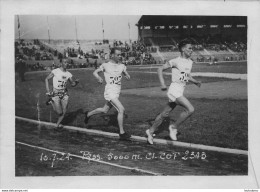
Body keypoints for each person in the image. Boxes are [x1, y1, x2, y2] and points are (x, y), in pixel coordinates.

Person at [146, 39, 202, 144]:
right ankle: (173, 127)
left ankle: (150, 131)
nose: (192, 50)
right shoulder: (175, 61)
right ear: (182, 49)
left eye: (192, 48)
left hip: (180, 90)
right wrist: (162, 83)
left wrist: (195, 81)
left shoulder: (190, 62)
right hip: (174, 90)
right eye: (189, 48)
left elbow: (186, 75)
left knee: (164, 114)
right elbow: (159, 69)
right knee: (190, 109)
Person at [84, 48, 131, 140]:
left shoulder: (122, 66)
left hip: (116, 92)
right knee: (121, 109)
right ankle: (122, 133)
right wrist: (98, 78)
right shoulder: (105, 65)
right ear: (112, 55)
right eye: (117, 54)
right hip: (110, 92)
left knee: (104, 110)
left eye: (120, 54)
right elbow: (95, 72)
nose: (119, 56)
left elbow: (126, 74)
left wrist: (127, 75)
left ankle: (88, 114)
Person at [45, 58, 79, 130]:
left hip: (65, 93)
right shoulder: (55, 71)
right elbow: (46, 79)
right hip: (56, 93)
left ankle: (57, 125)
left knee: (64, 111)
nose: (66, 64)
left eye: (67, 62)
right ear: (61, 63)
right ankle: (51, 101)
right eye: (65, 62)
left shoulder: (69, 74)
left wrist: (76, 82)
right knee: (59, 112)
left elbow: (72, 84)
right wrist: (48, 91)